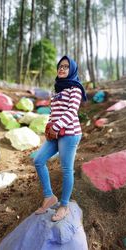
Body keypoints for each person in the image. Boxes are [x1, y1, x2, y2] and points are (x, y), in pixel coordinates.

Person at [34, 55, 87, 222]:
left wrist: (56, 128)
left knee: (66, 170)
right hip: (55, 134)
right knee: (38, 160)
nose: (62, 69)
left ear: (71, 69)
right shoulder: (56, 89)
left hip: (70, 134)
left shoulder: (75, 88)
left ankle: (64, 205)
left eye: (66, 66)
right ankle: (49, 197)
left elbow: (72, 112)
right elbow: (53, 112)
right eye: (60, 66)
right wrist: (49, 126)